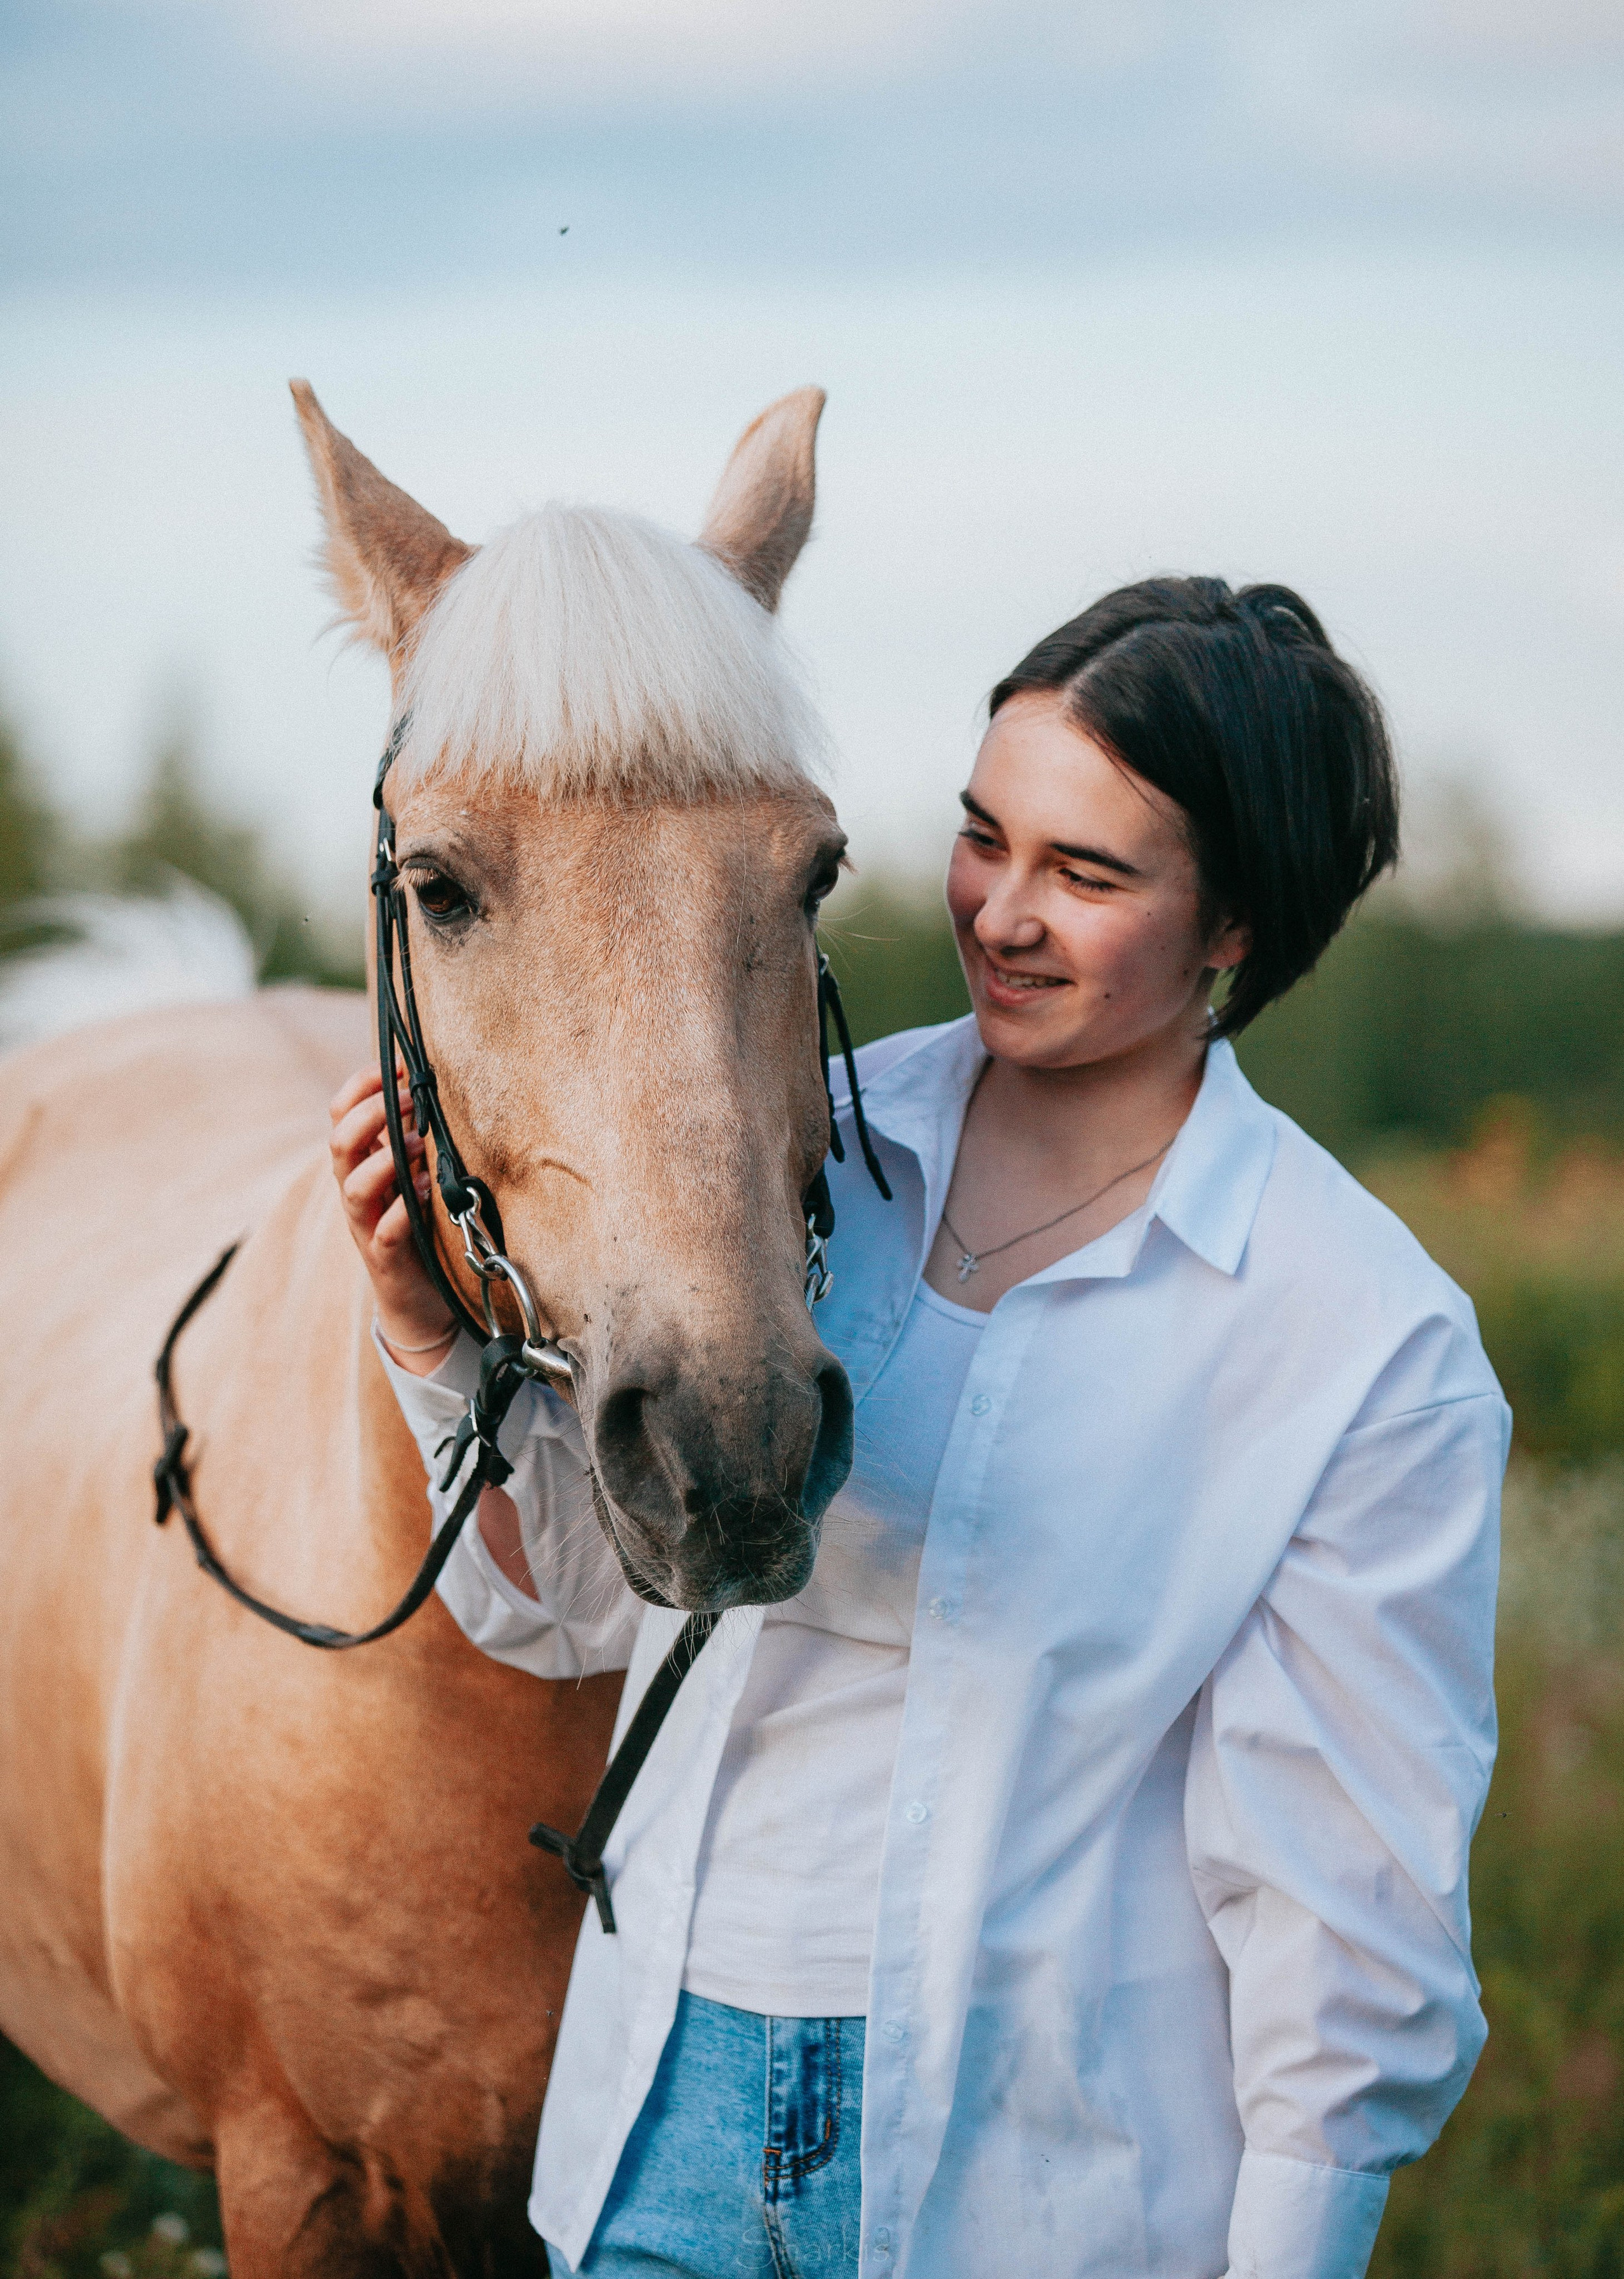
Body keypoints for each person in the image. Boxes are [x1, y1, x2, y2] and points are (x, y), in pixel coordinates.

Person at [330, 576, 1507, 2279]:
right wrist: (426, 1334)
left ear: (1235, 925)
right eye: (981, 837)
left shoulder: (1360, 1344)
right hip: (660, 2124)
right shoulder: (800, 1159)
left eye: (1087, 875)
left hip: (1033, 2185)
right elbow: (580, 1613)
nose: (1003, 914)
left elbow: (1343, 1917)